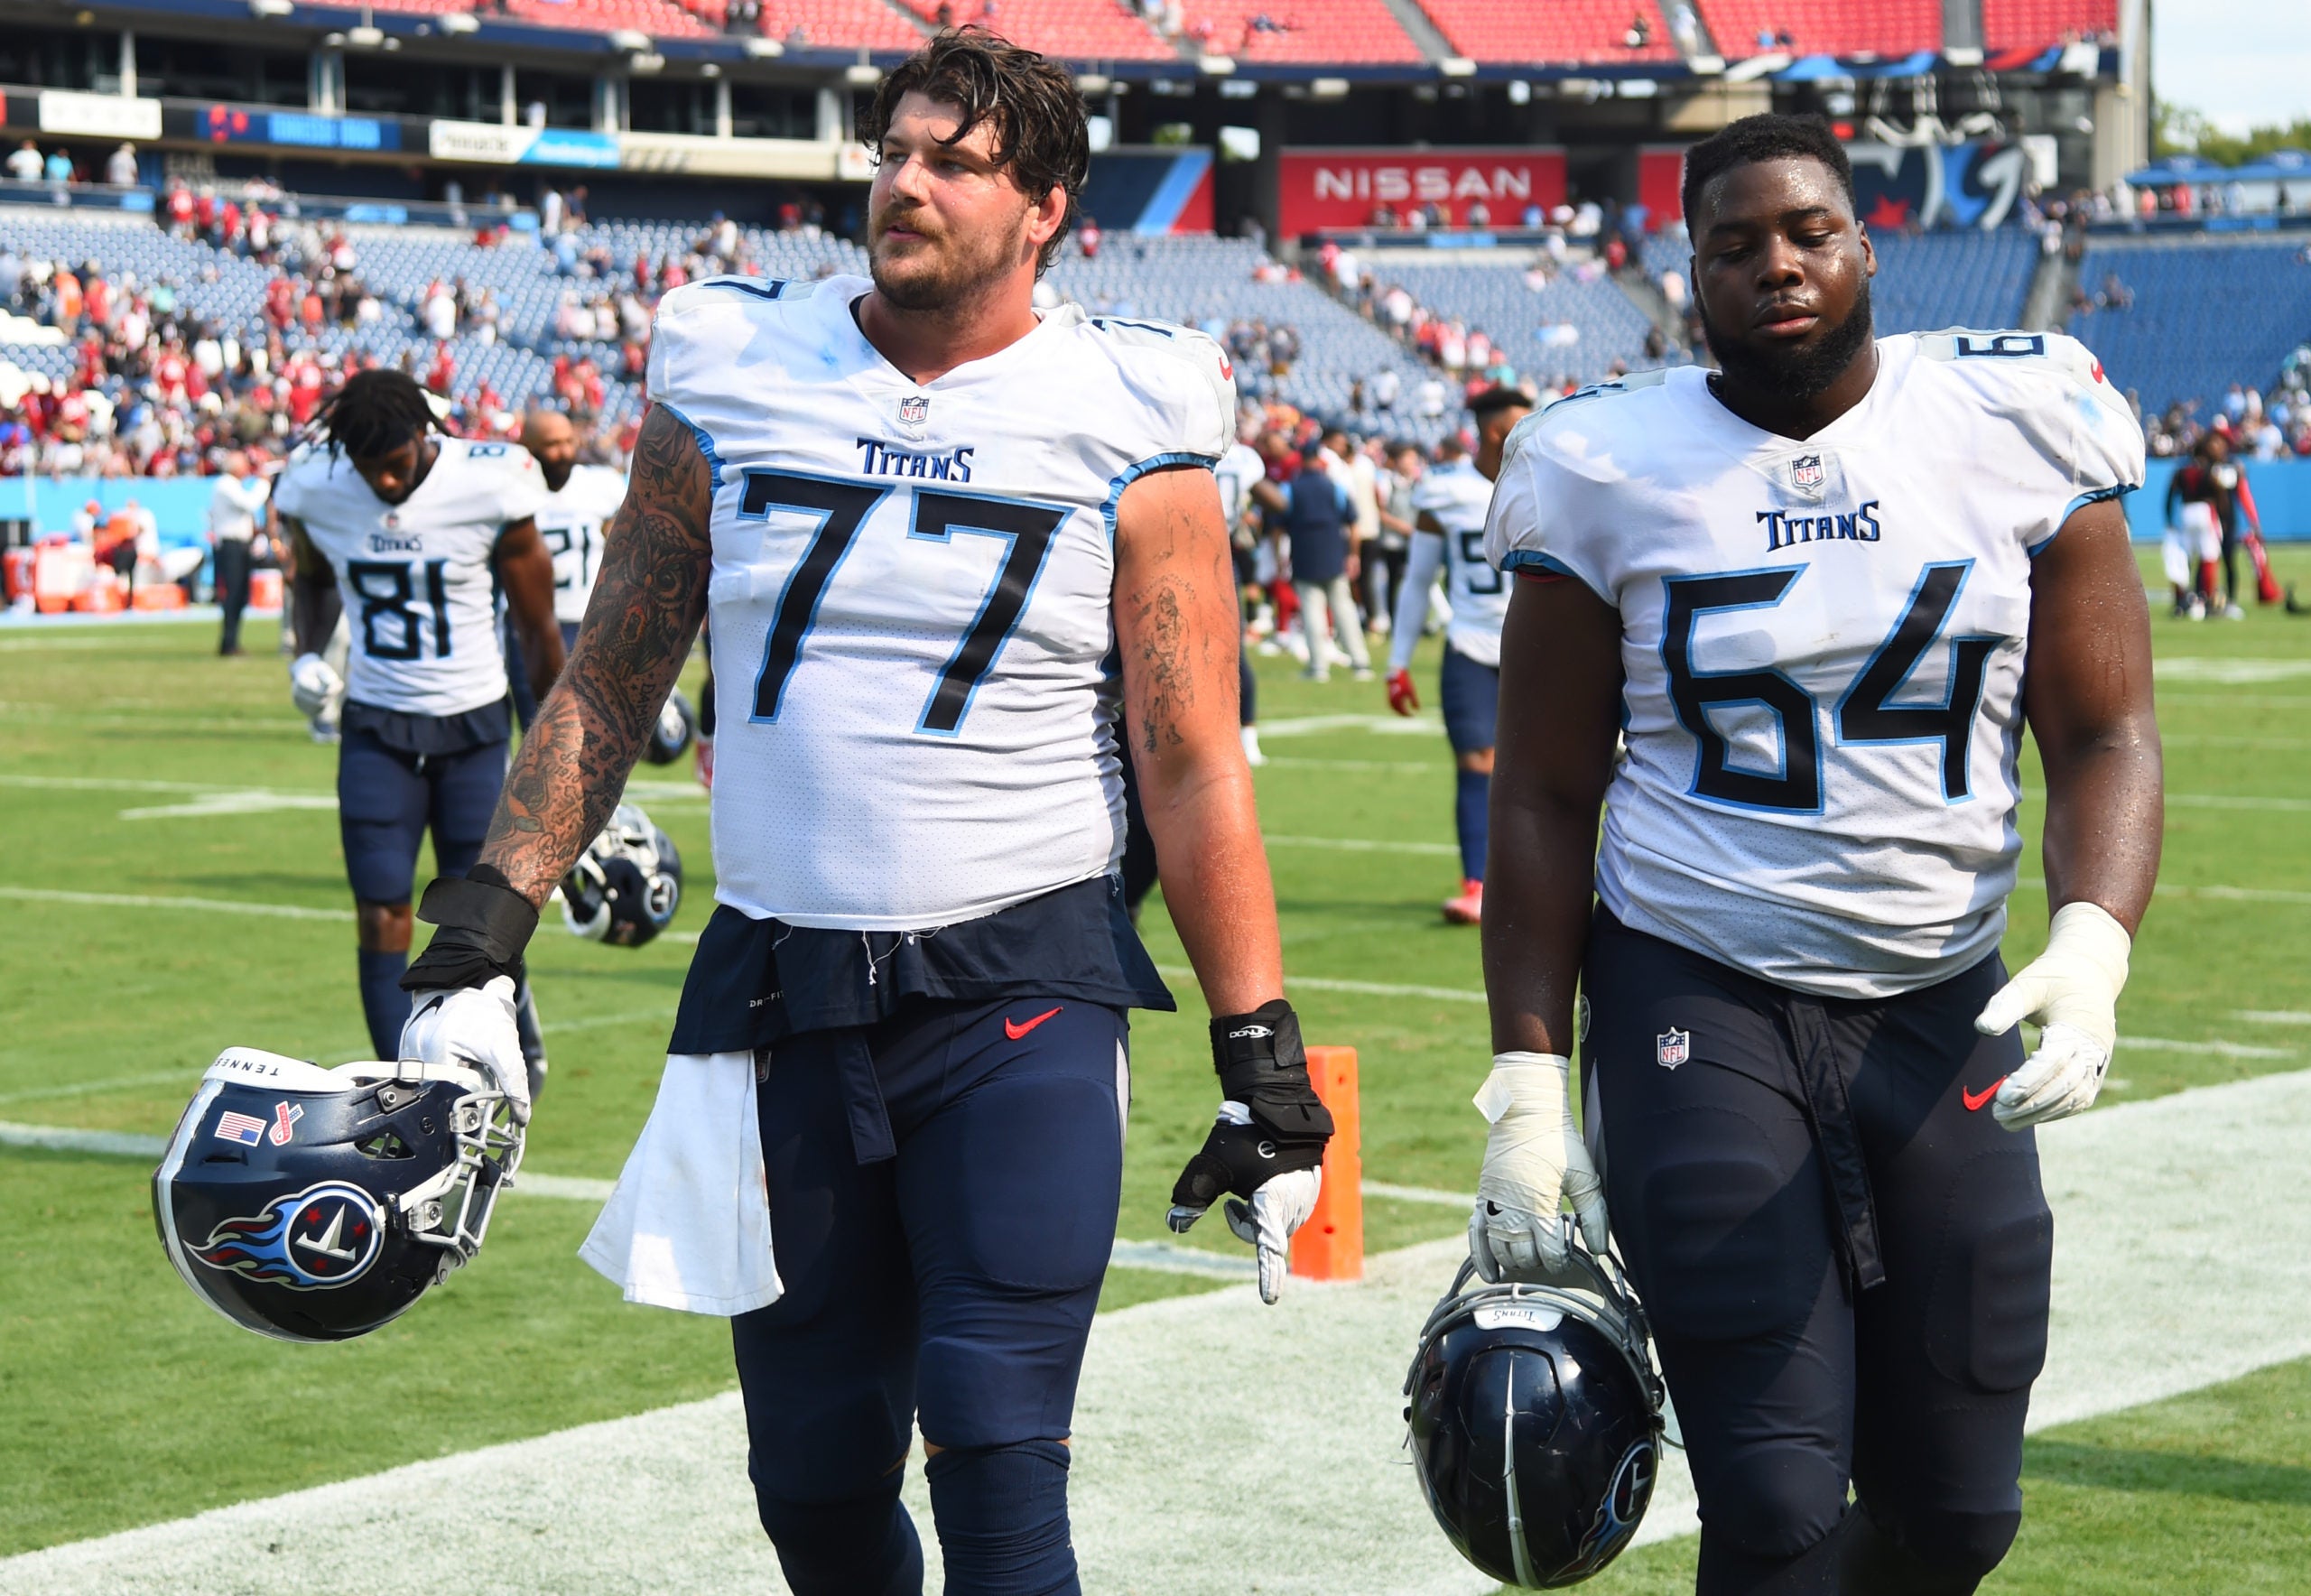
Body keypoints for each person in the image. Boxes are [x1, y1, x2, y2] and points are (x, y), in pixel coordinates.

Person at [387, 30, 1330, 1596]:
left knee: (995, 1441)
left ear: (1046, 207)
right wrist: (483, 930)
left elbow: (1189, 752)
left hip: (1020, 980)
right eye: (894, 150)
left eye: (954, 161)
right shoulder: (734, 359)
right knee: (816, 1487)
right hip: (785, 987)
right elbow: (614, 674)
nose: (905, 182)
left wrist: (1263, 1054)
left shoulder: (1130, 404)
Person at [1477, 115, 2158, 1595]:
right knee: (1778, 1504)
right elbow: (1539, 788)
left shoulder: (2020, 421)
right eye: (1734, 243)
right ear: (1689, 274)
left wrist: (2095, 938)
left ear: (1865, 244)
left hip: (1940, 988)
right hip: (1697, 987)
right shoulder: (1605, 460)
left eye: (1806, 231)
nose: (1775, 264)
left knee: (1960, 1514)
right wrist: (1529, 1074)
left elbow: (2106, 732)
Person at [274, 369, 564, 1069]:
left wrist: (563, 743)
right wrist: (308, 655)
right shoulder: (316, 484)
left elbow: (537, 626)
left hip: (472, 725)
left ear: (423, 436)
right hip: (377, 725)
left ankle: (513, 1045)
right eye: (371, 473)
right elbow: (313, 578)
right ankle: (402, 1084)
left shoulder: (487, 482)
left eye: (398, 467)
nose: (387, 486)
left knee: (478, 920)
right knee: (380, 911)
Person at [1385, 388, 1532, 925]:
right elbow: (1418, 581)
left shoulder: (1548, 482)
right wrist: (1396, 663)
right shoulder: (1444, 493)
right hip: (1471, 644)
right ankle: (1477, 884)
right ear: (1497, 431)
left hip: (1537, 649)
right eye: (1523, 421)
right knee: (1476, 763)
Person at [1258, 440, 1370, 682]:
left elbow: (1277, 527)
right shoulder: (1334, 486)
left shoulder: (1290, 488)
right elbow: (1353, 524)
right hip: (1333, 554)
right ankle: (1360, 662)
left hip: (1304, 554)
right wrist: (1353, 554)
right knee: (1344, 609)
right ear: (1319, 458)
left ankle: (1318, 666)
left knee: (1312, 611)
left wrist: (1279, 557)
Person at [520, 408, 627, 654]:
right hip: (531, 624)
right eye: (552, 444)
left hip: (590, 619)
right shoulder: (512, 489)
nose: (564, 452)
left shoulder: (601, 483)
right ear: (528, 446)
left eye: (569, 441)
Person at [209, 452, 270, 654]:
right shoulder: (225, 484)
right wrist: (263, 483)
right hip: (231, 545)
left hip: (240, 545)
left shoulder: (232, 486)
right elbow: (250, 503)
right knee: (233, 593)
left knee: (241, 594)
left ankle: (232, 641)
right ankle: (228, 642)